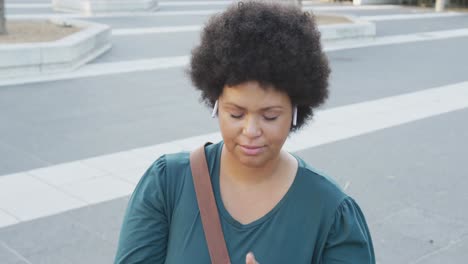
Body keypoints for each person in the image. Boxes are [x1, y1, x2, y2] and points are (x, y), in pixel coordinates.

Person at [114, 1, 375, 263]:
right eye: (236, 114)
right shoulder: (167, 184)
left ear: (296, 112)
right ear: (216, 104)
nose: (250, 131)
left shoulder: (331, 214)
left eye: (270, 116)